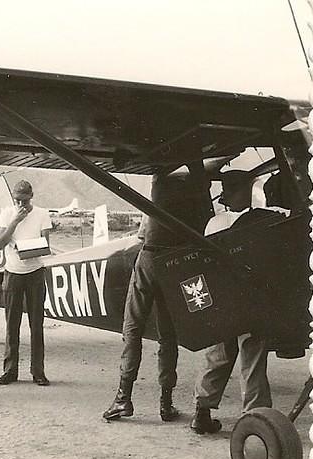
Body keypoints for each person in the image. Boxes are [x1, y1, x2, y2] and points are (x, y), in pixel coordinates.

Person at [103, 172, 211, 422]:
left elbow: (142, 236)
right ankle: (165, 403)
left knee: (132, 328)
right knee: (168, 334)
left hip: (150, 257)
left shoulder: (161, 180)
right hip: (175, 263)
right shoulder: (194, 189)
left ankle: (123, 398)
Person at [190, 170, 282, 434]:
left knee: (217, 356)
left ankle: (202, 412)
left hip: (222, 301)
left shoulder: (213, 223)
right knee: (252, 359)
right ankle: (255, 416)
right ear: (242, 192)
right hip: (250, 301)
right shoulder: (263, 219)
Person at [0, 180, 53, 386]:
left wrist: (28, 249)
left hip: (35, 272)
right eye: (17, 200)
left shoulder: (42, 214)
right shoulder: (6, 213)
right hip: (13, 272)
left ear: (31, 196)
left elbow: (46, 244)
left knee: (36, 323)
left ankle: (38, 371)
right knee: (12, 323)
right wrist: (15, 221)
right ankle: (10, 370)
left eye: (24, 200)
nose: (20, 204)